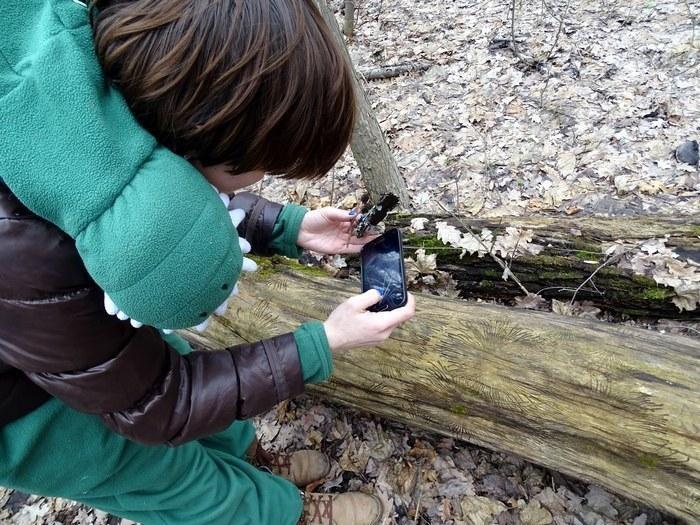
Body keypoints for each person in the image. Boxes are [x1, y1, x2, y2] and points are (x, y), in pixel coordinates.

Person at [0, 0, 415, 524]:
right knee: (160, 474)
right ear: (188, 141)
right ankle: (281, 514)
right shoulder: (28, 251)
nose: (262, 177)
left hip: (67, 332)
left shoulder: (91, 101)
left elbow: (174, 188)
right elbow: (161, 404)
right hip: (20, 410)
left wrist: (287, 225)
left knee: (165, 359)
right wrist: (322, 343)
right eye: (259, 164)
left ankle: (251, 461)